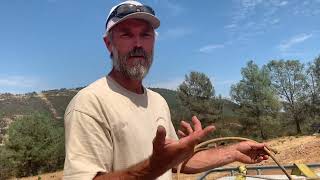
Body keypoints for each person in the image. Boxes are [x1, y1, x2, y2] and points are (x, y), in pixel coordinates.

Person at [63, 1, 269, 180]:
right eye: (126, 35)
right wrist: (154, 166)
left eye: (146, 35)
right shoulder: (89, 103)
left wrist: (233, 152)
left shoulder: (158, 101)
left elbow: (177, 163)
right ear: (109, 44)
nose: (138, 44)